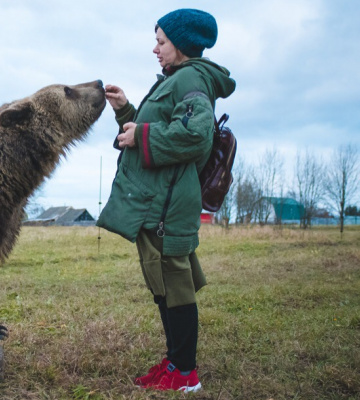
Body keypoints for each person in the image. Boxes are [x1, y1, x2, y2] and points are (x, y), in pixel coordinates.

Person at [96, 8, 236, 392]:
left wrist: (138, 136)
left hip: (169, 202)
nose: (155, 49)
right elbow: (162, 125)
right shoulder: (177, 79)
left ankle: (185, 373)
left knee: (175, 283)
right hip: (162, 197)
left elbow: (194, 137)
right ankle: (176, 362)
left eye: (161, 42)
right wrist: (126, 111)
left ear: (183, 44)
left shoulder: (190, 79)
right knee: (164, 281)